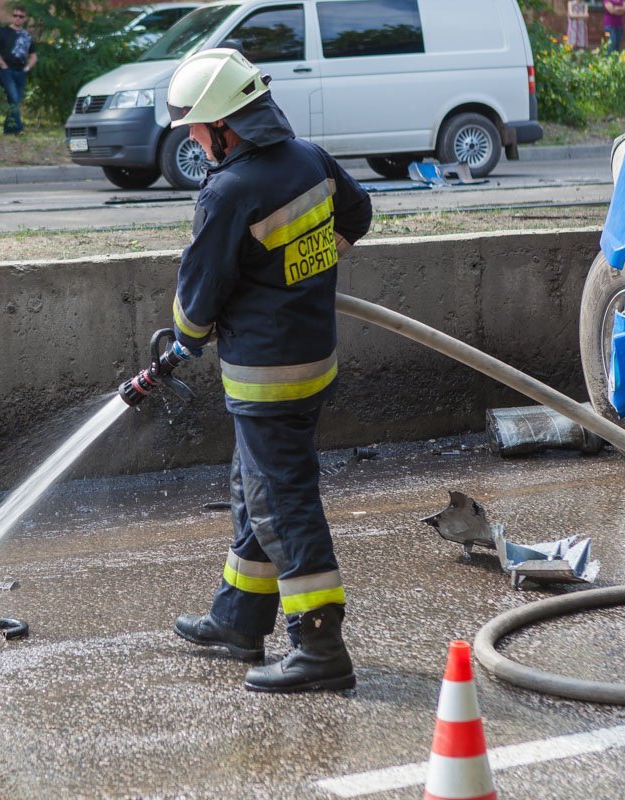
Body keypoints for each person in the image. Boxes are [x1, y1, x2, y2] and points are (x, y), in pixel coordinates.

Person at [163, 49, 373, 693]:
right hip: (313, 360)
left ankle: (319, 647)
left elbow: (196, 304)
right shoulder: (308, 158)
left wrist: (180, 340)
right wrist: (303, 273)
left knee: (279, 502)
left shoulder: (229, 191)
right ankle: (238, 618)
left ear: (228, 124)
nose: (195, 141)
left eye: (198, 128)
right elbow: (358, 215)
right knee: (253, 487)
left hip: (267, 376)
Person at [0, 6, 38, 135]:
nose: (17, 18)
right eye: (15, 15)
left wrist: (27, 67)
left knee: (14, 101)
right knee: (14, 99)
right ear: (12, 16)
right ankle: (18, 129)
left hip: (21, 72)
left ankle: (8, 130)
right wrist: (2, 63)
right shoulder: (3, 31)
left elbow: (33, 55)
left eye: (21, 16)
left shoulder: (26, 35)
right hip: (7, 71)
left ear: (25, 18)